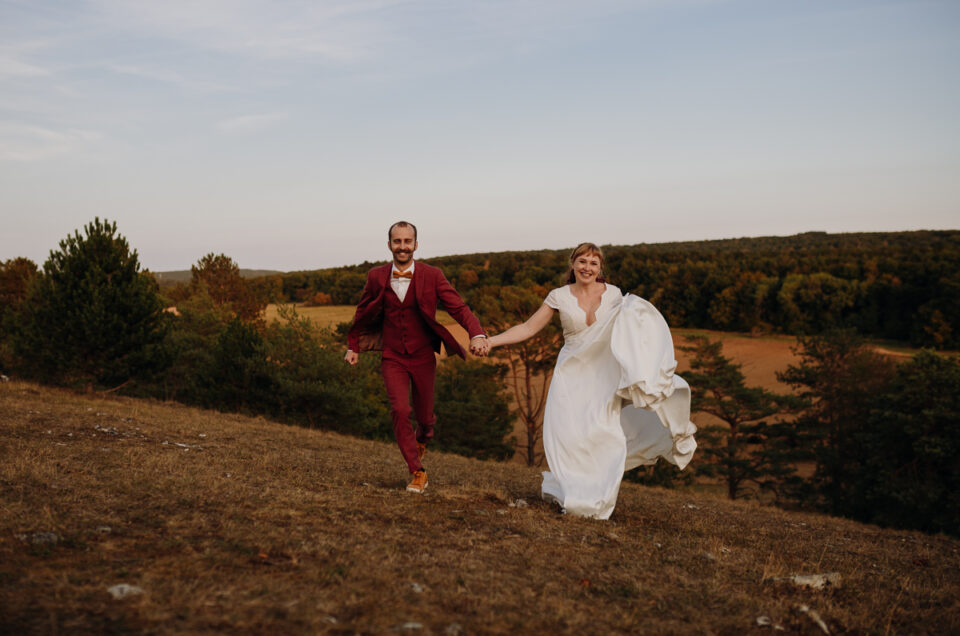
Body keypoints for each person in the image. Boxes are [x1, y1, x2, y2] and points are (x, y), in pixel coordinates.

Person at [484, 242, 697, 519]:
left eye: (593, 263)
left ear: (600, 268)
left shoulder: (615, 296)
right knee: (569, 435)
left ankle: (598, 499)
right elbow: (528, 327)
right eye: (582, 261)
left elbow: (636, 330)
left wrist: (647, 365)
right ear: (573, 264)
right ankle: (573, 494)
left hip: (603, 377)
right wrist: (492, 342)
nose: (587, 267)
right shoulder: (558, 296)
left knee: (604, 434)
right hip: (570, 375)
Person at [344, 221, 487, 493]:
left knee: (425, 417)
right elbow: (361, 314)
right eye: (397, 241)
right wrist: (354, 346)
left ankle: (424, 435)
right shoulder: (376, 277)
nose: (402, 246)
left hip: (422, 356)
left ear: (416, 245)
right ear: (389, 245)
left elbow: (458, 307)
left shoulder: (432, 275)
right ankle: (417, 471)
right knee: (399, 410)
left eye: (407, 241)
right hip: (393, 356)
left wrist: (476, 334)